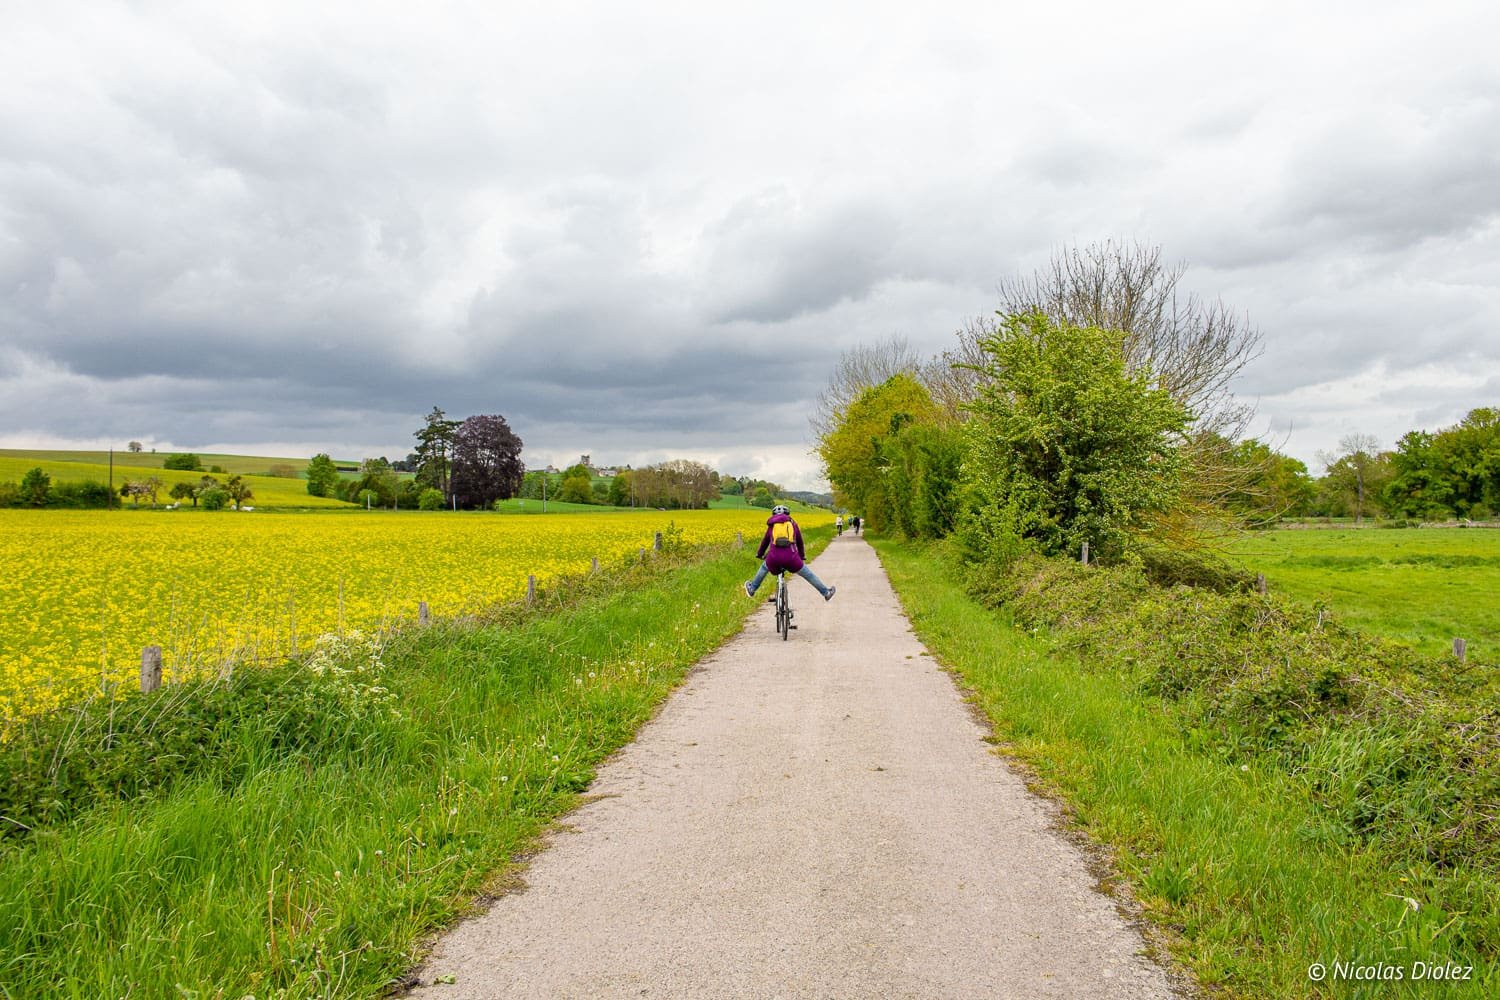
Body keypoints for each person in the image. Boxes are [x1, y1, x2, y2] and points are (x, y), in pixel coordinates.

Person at [745, 505, 835, 602]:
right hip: (791, 558)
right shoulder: (793, 524)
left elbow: (765, 542)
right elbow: (800, 542)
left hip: (773, 558)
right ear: (788, 514)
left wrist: (760, 554)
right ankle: (826, 593)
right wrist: (801, 556)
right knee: (808, 575)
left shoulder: (772, 525)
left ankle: (752, 589)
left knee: (764, 567)